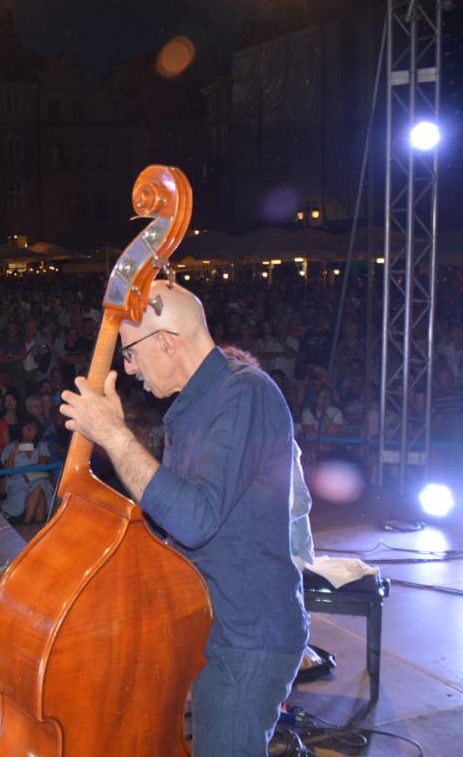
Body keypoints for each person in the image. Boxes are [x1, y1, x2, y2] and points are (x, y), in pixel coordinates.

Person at [58, 280, 307, 756]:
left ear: (166, 341)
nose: (128, 369)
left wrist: (113, 435)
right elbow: (179, 523)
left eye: (129, 354)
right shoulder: (192, 408)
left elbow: (195, 519)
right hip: (215, 626)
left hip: (247, 637)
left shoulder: (244, 394)